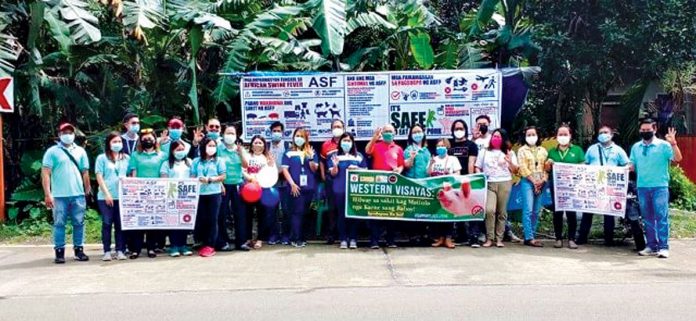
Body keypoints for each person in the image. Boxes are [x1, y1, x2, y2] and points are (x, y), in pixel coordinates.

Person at [630, 119, 682, 258]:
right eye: (643, 130)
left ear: (655, 129)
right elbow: (632, 165)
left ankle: (663, 247)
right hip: (642, 186)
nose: (645, 132)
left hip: (660, 186)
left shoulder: (664, 145)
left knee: (661, 216)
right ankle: (651, 245)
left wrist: (673, 143)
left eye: (648, 130)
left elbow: (678, 159)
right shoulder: (636, 147)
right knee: (647, 218)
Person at [42, 122, 91, 264]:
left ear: (74, 135)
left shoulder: (81, 151)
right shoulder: (52, 152)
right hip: (59, 195)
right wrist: (47, 194)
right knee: (59, 224)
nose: (67, 135)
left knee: (79, 223)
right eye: (64, 133)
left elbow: (85, 171)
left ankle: (79, 250)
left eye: (70, 132)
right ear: (59, 135)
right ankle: (59, 252)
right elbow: (46, 173)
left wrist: (87, 188)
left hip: (78, 194)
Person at [578, 125, 630, 245]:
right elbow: (585, 164)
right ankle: (582, 237)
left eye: (605, 132)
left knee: (609, 212)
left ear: (611, 134)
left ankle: (609, 239)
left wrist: (625, 169)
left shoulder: (618, 150)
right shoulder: (592, 149)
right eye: (600, 132)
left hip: (610, 185)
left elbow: (627, 164)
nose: (603, 134)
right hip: (593, 185)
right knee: (588, 210)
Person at [127, 128, 167, 259]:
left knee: (152, 222)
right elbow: (133, 173)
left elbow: (164, 173)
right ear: (140, 141)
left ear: (155, 140)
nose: (147, 141)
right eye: (144, 139)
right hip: (139, 193)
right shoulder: (135, 155)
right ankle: (136, 249)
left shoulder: (162, 155)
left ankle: (151, 248)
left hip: (157, 193)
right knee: (138, 222)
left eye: (150, 139)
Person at [475, 129, 518, 248]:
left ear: (503, 139)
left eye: (499, 137)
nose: (496, 138)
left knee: (502, 212)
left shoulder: (509, 152)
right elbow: (477, 166)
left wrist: (510, 162)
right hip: (489, 183)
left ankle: (499, 239)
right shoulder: (484, 151)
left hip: (505, 182)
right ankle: (490, 238)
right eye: (494, 136)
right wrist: (480, 176)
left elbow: (515, 170)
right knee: (489, 210)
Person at [546, 124, 585, 249]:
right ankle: (558, 239)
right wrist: (548, 163)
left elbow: (583, 165)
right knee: (557, 212)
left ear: (570, 135)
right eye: (560, 134)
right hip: (556, 186)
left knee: (571, 212)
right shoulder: (552, 151)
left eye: (565, 134)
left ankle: (571, 239)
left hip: (572, 186)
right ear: (556, 136)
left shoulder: (577, 150)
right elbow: (546, 169)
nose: (562, 137)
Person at [365, 124, 404, 249]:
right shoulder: (376, 145)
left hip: (392, 184)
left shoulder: (398, 149)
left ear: (394, 133)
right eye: (385, 131)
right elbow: (367, 151)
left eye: (390, 131)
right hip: (378, 183)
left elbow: (402, 164)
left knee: (392, 213)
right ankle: (374, 241)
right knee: (376, 212)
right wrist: (374, 138)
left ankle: (391, 240)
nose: (388, 133)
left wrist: (399, 169)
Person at [447, 120, 485, 247]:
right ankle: (461, 235)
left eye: (461, 128)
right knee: (457, 208)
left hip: (466, 180)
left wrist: (469, 179)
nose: (458, 130)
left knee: (471, 206)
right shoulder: (449, 144)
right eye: (456, 128)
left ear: (465, 129)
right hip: (452, 181)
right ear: (452, 130)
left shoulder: (471, 145)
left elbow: (471, 163)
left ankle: (474, 237)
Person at [328, 133, 367, 249]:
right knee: (341, 215)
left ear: (352, 142)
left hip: (354, 190)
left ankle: (353, 238)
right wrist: (335, 166)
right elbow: (332, 173)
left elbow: (366, 171)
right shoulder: (334, 156)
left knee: (354, 214)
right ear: (340, 142)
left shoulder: (358, 156)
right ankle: (343, 239)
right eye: (344, 140)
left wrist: (357, 168)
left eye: (349, 141)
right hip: (339, 189)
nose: (346, 143)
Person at [95, 132, 130, 261]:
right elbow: (99, 176)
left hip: (122, 196)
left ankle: (120, 249)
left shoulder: (126, 158)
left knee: (120, 224)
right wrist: (106, 194)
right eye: (114, 142)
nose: (117, 144)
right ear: (109, 143)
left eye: (119, 142)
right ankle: (107, 251)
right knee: (107, 223)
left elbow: (131, 174)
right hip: (105, 197)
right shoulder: (102, 158)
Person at [282, 128, 319, 248]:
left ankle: (303, 237)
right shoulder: (288, 152)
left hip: (308, 187)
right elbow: (285, 170)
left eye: (301, 136)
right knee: (296, 213)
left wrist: (311, 158)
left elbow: (315, 169)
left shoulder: (310, 151)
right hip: (295, 187)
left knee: (305, 213)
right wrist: (292, 184)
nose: (299, 138)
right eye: (297, 136)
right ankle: (295, 238)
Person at [217, 124, 251, 252]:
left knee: (240, 213)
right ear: (223, 134)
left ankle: (241, 242)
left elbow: (245, 165)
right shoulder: (219, 149)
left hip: (237, 184)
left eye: (232, 133)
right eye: (227, 133)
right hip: (223, 184)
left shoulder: (240, 149)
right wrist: (219, 182)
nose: (230, 136)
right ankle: (222, 242)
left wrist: (241, 153)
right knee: (222, 214)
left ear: (236, 136)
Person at [191, 137, 226, 257]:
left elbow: (222, 176)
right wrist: (197, 179)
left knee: (213, 219)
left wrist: (211, 179)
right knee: (202, 219)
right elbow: (192, 175)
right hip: (199, 193)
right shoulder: (196, 161)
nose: (211, 148)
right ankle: (202, 242)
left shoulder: (219, 160)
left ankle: (211, 245)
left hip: (214, 193)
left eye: (213, 146)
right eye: (209, 145)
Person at [159, 140, 194, 257]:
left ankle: (183, 245)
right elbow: (163, 178)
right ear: (172, 151)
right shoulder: (166, 164)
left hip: (187, 196)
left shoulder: (189, 162)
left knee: (184, 221)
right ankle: (174, 246)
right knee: (173, 221)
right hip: (171, 195)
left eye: (182, 149)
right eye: (177, 150)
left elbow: (194, 176)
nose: (180, 152)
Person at [243, 135, 277, 249]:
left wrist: (271, 165)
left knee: (262, 215)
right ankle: (248, 238)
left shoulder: (267, 158)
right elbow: (242, 171)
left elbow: (272, 173)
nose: (258, 145)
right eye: (256, 142)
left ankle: (260, 239)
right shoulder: (247, 156)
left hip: (263, 190)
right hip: (248, 189)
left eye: (260, 143)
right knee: (247, 214)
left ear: (264, 145)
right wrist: (250, 179)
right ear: (251, 144)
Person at [428, 138, 462, 249]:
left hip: (449, 191)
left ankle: (448, 238)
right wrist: (430, 164)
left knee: (448, 214)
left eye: (442, 145)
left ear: (447, 147)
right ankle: (440, 238)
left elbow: (458, 174)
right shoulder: (434, 159)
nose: (440, 148)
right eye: (438, 146)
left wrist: (450, 174)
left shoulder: (453, 159)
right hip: (436, 191)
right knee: (438, 214)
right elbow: (428, 174)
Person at [517, 126, 547, 247]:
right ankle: (528, 237)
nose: (531, 137)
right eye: (528, 135)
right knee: (528, 209)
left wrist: (543, 180)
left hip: (541, 181)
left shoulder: (543, 150)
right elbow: (522, 167)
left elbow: (546, 168)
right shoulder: (521, 150)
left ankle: (532, 235)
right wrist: (534, 182)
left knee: (536, 210)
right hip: (527, 181)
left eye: (533, 134)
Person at [320, 119, 345, 245]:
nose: (337, 128)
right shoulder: (326, 145)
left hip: (345, 179)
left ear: (344, 128)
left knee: (343, 208)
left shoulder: (347, 142)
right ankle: (331, 234)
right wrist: (323, 175)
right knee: (332, 208)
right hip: (331, 179)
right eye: (335, 126)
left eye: (339, 126)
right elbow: (322, 161)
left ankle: (343, 235)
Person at [268, 121, 290, 245]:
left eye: (278, 131)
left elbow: (291, 164)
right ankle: (273, 235)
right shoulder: (266, 146)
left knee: (286, 210)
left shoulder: (288, 145)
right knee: (272, 210)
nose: (276, 133)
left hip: (285, 183)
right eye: (274, 131)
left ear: (282, 133)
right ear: (270, 132)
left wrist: (280, 173)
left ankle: (286, 235)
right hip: (270, 184)